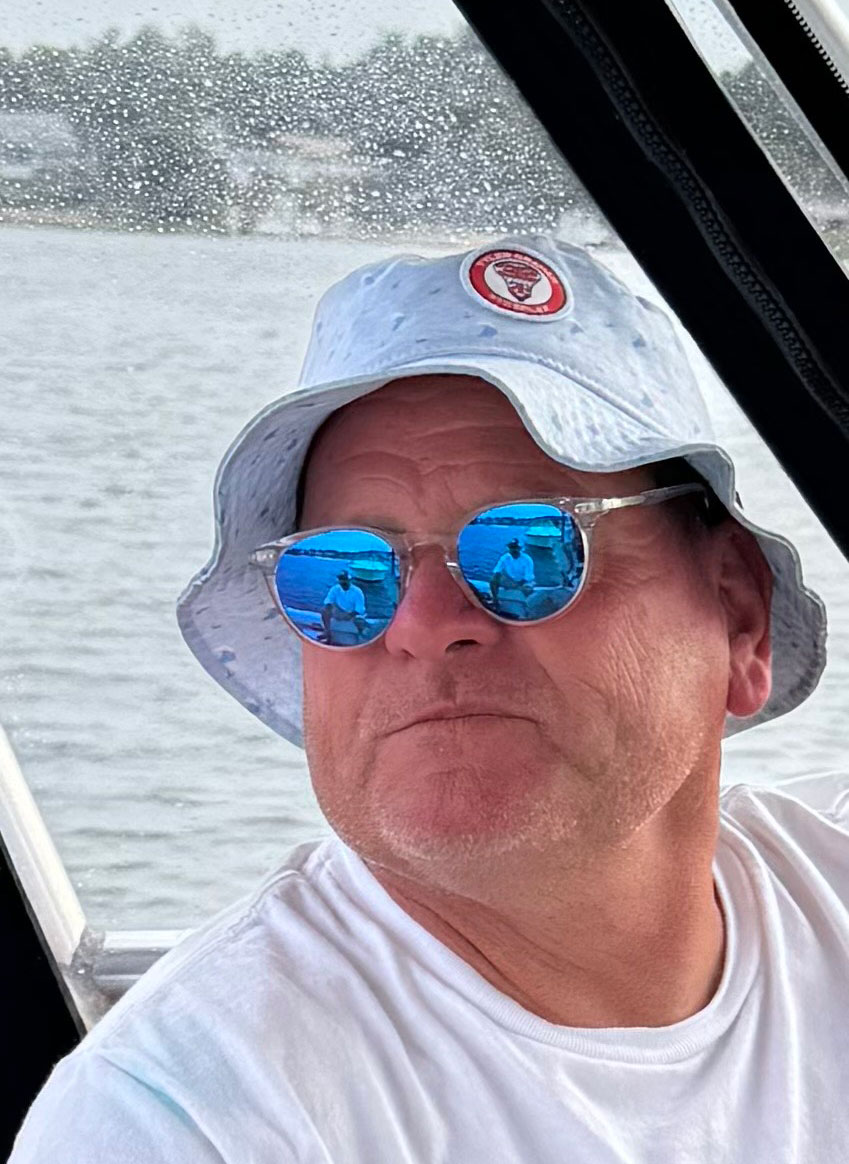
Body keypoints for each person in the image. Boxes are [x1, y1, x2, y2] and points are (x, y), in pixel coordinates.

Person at [11, 237, 848, 1164]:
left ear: (737, 615)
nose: (419, 623)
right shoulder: (184, 1122)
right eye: (344, 573)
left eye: (525, 549)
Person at [490, 537, 535, 617]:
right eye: (511, 547)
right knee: (493, 580)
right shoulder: (505, 558)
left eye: (515, 547)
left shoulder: (527, 559)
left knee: (528, 591)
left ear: (519, 548)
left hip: (524, 581)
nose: (514, 550)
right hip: (511, 580)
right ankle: (495, 600)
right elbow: (497, 571)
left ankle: (528, 610)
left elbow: (528, 576)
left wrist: (517, 585)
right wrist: (498, 579)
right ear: (509, 548)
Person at [321, 569, 367, 645]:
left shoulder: (357, 591)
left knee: (360, 621)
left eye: (345, 580)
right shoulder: (335, 589)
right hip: (340, 610)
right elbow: (328, 601)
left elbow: (360, 608)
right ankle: (327, 632)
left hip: (353, 612)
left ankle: (361, 637)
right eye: (341, 580)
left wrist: (350, 615)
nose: (343, 582)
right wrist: (329, 608)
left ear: (350, 580)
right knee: (324, 610)